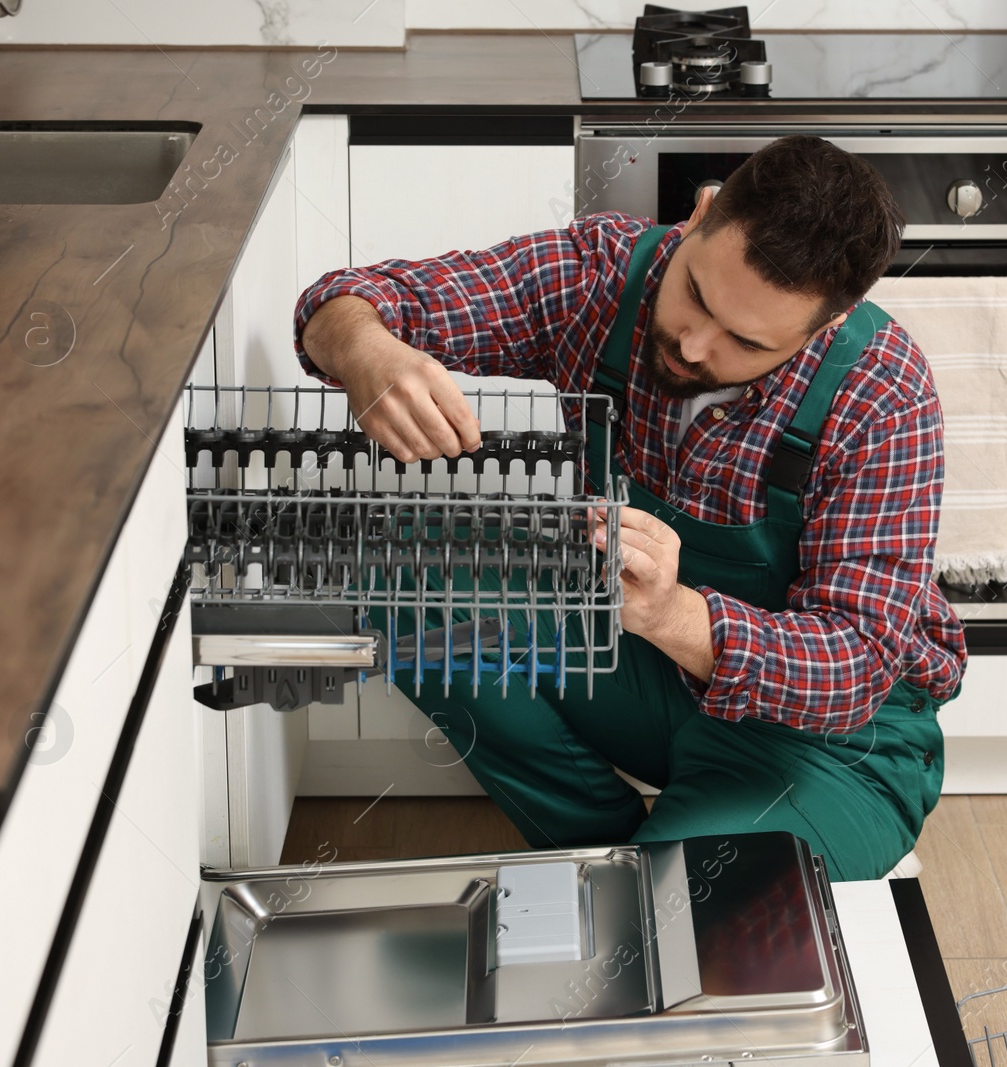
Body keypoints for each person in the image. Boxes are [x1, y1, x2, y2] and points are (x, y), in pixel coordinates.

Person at [294, 134, 966, 881]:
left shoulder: (882, 393)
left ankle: (655, 877)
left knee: (659, 934)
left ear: (825, 326)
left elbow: (855, 668)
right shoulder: (603, 274)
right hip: (637, 664)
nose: (692, 341)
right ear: (700, 214)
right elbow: (341, 303)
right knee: (410, 567)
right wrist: (367, 352)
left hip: (826, 745)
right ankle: (604, 859)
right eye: (697, 294)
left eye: (744, 342)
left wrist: (675, 614)